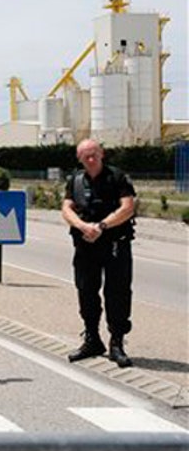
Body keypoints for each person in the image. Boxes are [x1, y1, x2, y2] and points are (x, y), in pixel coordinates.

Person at [62, 138, 136, 368]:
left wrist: (101, 226)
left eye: (94, 154)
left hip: (115, 244)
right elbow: (66, 208)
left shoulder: (117, 177)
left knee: (117, 293)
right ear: (79, 159)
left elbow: (127, 207)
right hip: (85, 245)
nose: (91, 159)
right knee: (86, 291)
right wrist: (83, 227)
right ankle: (92, 340)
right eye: (86, 156)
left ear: (102, 153)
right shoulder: (75, 180)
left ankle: (117, 342)